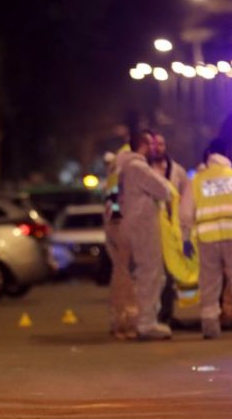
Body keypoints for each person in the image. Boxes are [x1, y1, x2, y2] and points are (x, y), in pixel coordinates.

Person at [181, 139, 232, 339]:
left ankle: (209, 324)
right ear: (227, 153)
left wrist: (186, 238)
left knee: (209, 281)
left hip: (207, 237)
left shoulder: (197, 181)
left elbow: (185, 213)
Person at [116, 129, 172, 340]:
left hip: (132, 223)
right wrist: (160, 177)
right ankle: (147, 323)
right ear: (142, 145)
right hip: (143, 226)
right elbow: (164, 190)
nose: (154, 148)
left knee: (146, 273)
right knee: (150, 273)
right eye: (150, 144)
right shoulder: (138, 167)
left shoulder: (125, 167)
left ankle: (146, 320)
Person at [150, 132, 191, 325]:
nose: (158, 148)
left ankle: (167, 313)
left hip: (172, 228)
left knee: (170, 272)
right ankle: (153, 314)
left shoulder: (178, 171)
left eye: (161, 144)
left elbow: (186, 198)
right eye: (155, 144)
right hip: (151, 227)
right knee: (152, 273)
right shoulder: (144, 169)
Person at [102, 145, 136, 340]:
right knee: (125, 275)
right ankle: (126, 322)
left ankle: (118, 321)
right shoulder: (125, 167)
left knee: (120, 273)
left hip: (114, 224)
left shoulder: (115, 167)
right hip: (121, 224)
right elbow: (115, 198)